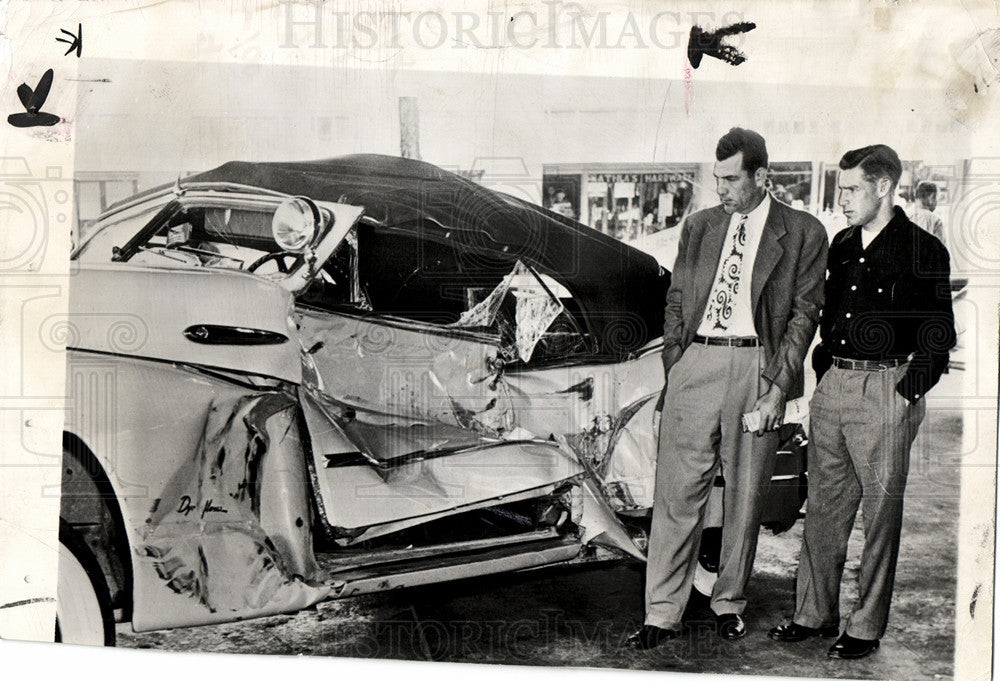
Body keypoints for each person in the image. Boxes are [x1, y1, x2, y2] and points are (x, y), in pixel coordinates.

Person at [626, 128, 828, 650]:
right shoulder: (698, 227)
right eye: (716, 179)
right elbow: (676, 298)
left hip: (757, 366)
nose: (721, 189)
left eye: (731, 179)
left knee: (744, 495)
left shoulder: (803, 231)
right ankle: (661, 611)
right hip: (697, 361)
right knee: (675, 493)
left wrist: (777, 386)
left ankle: (729, 602)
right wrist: (677, 360)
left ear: (762, 176)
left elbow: (804, 315)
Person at [769, 145, 955, 659]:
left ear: (883, 187)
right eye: (840, 188)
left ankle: (866, 628)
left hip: (886, 390)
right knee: (824, 510)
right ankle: (812, 614)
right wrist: (824, 373)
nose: (841, 199)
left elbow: (940, 333)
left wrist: (905, 394)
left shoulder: (923, 249)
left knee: (879, 518)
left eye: (850, 189)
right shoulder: (843, 244)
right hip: (836, 388)